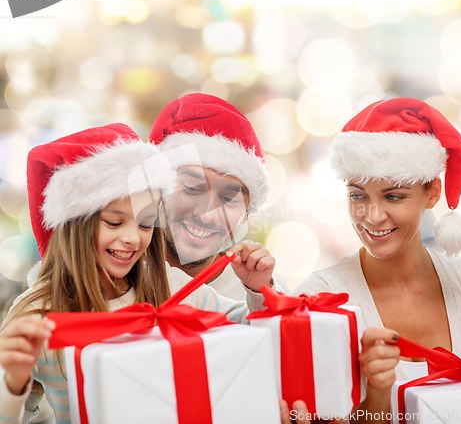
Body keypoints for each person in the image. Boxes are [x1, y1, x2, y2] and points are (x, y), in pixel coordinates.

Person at [0, 124, 275, 424]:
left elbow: (249, 330)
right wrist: (13, 384)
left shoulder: (168, 284)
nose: (133, 238)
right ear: (75, 226)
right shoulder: (37, 314)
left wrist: (257, 289)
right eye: (115, 223)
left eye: (145, 224)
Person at [292, 97, 461, 423]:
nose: (372, 216)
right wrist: (375, 394)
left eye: (393, 196)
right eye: (357, 195)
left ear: (432, 193)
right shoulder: (320, 298)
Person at [149, 92, 274, 300]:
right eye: (192, 188)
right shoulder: (115, 280)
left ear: (246, 213)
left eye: (228, 199)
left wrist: (264, 295)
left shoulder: (262, 293)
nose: (207, 215)